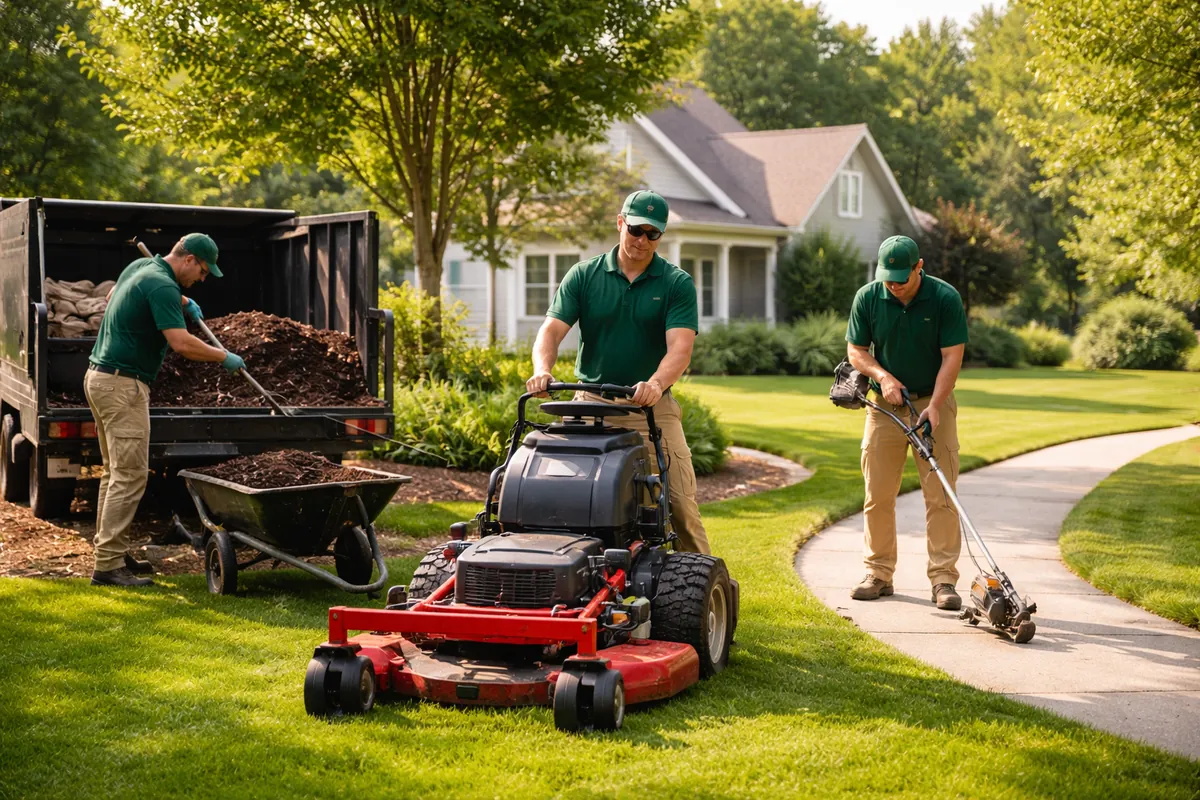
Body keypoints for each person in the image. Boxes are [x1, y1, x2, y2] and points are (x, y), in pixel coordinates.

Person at [525, 190, 710, 554]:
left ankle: (708, 595)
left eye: (652, 234)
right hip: (588, 407)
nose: (642, 240)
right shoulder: (584, 275)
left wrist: (656, 383)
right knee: (567, 498)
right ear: (620, 223)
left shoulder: (676, 283)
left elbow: (680, 349)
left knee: (680, 504)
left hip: (648, 409)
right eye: (636, 230)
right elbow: (550, 331)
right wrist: (542, 370)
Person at [86, 233, 246, 587]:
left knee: (115, 473)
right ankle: (108, 566)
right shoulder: (161, 285)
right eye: (203, 272)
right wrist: (224, 357)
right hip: (122, 385)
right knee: (129, 476)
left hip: (100, 379)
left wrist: (182, 300)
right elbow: (181, 343)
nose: (202, 280)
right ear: (188, 259)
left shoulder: (142, 267)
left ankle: (111, 552)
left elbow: (117, 295)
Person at [845, 235, 969, 610]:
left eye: (902, 277)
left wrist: (935, 405)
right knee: (878, 493)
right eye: (888, 278)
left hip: (934, 401)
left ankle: (943, 580)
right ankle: (878, 573)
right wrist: (882, 377)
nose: (894, 285)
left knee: (941, 493)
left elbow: (952, 358)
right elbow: (856, 350)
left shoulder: (945, 298)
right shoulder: (868, 297)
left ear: (920, 266)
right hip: (885, 405)